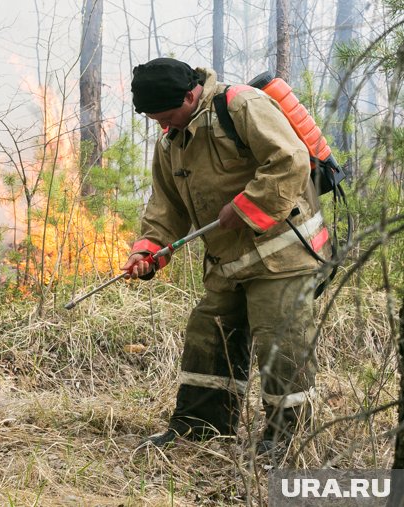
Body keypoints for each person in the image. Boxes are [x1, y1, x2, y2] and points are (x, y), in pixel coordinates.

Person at [123, 57, 330, 454]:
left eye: (167, 115)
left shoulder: (241, 106)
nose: (163, 125)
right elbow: (165, 208)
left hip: (283, 257)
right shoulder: (170, 140)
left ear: (190, 94)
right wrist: (148, 251)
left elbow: (290, 159)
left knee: (279, 344)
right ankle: (200, 428)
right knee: (208, 333)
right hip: (228, 264)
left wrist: (245, 207)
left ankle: (286, 442)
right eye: (155, 119)